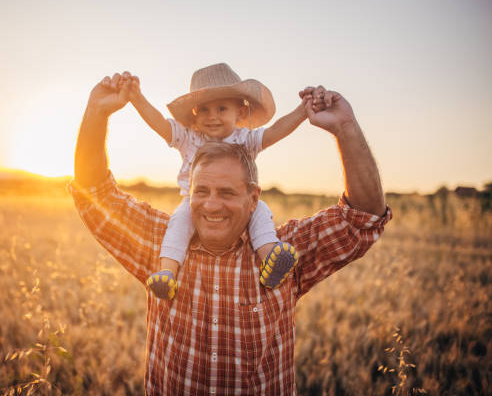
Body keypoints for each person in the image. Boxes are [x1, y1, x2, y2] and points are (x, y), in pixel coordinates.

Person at [70, 70, 391, 394]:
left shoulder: (291, 249)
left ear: (253, 198)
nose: (211, 206)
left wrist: (344, 128)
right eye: (201, 191)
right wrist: (98, 112)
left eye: (226, 193)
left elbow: (361, 219)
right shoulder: (162, 241)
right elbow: (95, 195)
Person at [120, 63, 312, 300]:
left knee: (261, 212)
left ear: (240, 113)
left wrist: (302, 112)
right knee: (179, 223)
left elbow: (275, 131)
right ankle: (167, 274)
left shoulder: (245, 139)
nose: (212, 117)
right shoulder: (189, 137)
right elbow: (158, 122)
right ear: (194, 114)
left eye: (221, 109)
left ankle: (270, 258)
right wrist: (136, 98)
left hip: (242, 204)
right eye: (204, 110)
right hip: (195, 203)